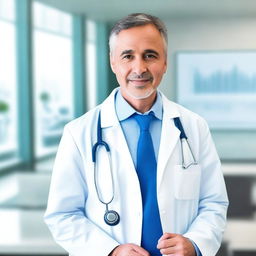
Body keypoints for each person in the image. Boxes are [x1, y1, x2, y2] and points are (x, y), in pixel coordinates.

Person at [44, 13, 229, 256]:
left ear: (164, 63)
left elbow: (213, 203)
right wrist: (110, 251)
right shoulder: (79, 132)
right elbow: (62, 215)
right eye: (128, 56)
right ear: (113, 62)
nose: (139, 68)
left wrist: (195, 244)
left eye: (150, 55)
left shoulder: (194, 127)